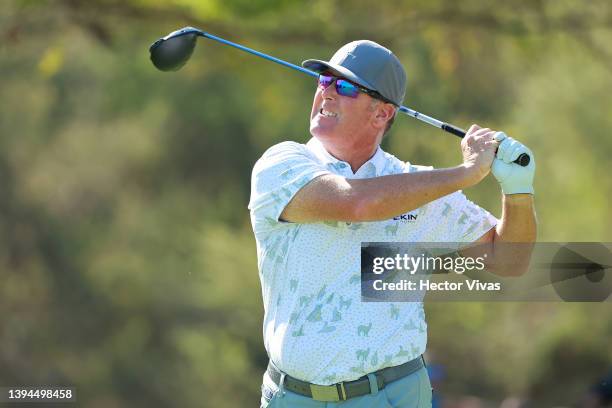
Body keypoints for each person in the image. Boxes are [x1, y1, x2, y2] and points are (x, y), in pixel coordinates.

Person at [248, 40, 537, 408]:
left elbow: (509, 261)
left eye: (346, 87)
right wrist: (466, 173)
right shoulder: (282, 164)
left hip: (394, 395)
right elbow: (357, 202)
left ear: (382, 114)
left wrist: (517, 191)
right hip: (294, 397)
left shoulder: (416, 186)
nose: (328, 93)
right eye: (324, 81)